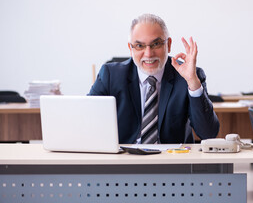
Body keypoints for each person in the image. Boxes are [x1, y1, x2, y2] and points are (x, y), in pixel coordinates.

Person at [89, 14, 219, 144]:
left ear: (168, 44)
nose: (149, 54)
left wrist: (192, 82)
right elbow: (87, 121)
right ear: (131, 48)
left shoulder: (187, 76)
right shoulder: (111, 75)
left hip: (173, 160)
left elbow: (208, 134)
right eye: (140, 46)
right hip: (124, 159)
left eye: (156, 44)